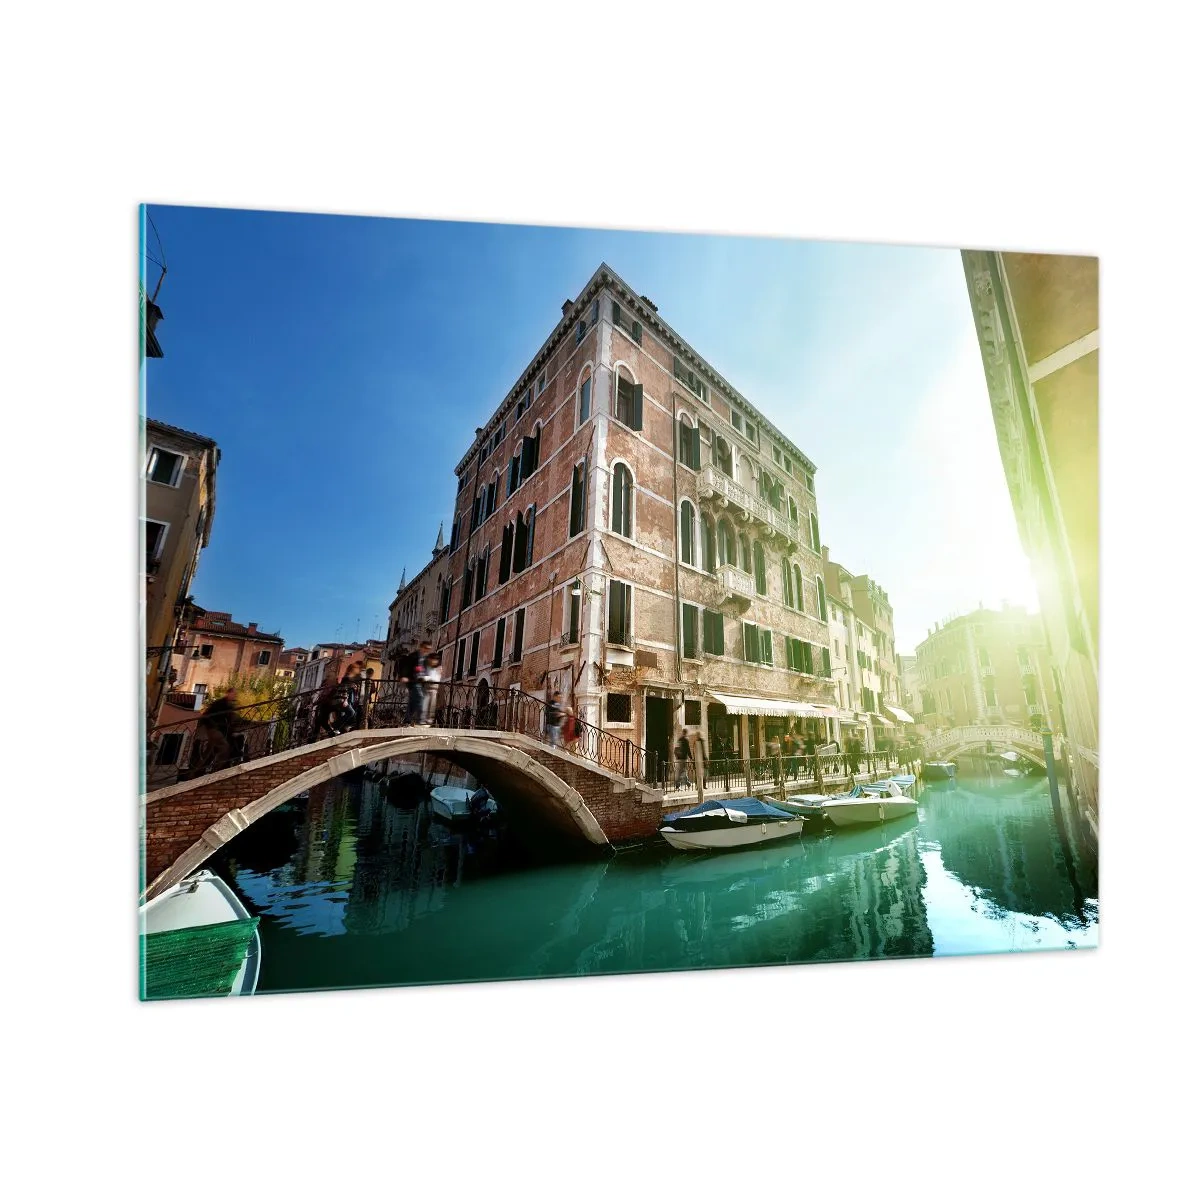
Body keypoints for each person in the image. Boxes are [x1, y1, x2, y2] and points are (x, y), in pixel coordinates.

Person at [194, 688, 238, 773]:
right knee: (224, 747)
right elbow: (207, 715)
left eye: (235, 694)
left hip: (217, 729)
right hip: (213, 729)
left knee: (208, 752)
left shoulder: (229, 705)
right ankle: (215, 770)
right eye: (233, 694)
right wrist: (212, 725)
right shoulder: (220, 703)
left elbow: (230, 720)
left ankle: (194, 772)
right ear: (228, 693)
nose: (234, 696)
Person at [401, 641, 432, 725]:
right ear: (421, 647)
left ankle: (407, 720)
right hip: (413, 681)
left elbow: (426, 670)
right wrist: (404, 676)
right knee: (421, 697)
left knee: (412, 702)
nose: (427, 651)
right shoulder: (413, 656)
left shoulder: (426, 659)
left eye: (429, 649)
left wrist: (427, 677)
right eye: (426, 648)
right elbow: (406, 667)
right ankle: (421, 720)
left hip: (422, 682)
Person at [419, 652, 442, 724]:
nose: (433, 661)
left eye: (434, 660)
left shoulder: (438, 668)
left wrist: (426, 678)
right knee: (424, 704)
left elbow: (436, 679)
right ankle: (422, 719)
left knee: (432, 704)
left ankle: (429, 720)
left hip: (434, 688)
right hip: (426, 688)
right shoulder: (427, 667)